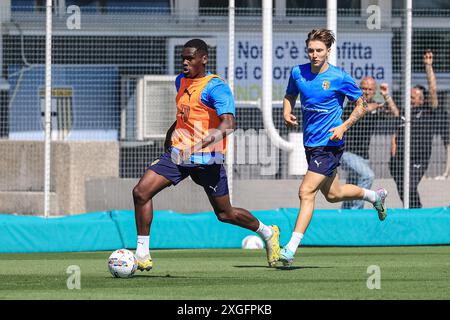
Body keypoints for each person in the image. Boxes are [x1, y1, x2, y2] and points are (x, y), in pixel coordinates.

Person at [132, 39, 280, 271]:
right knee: (141, 192)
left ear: (203, 59)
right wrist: (170, 136)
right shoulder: (180, 80)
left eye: (190, 58)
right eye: (183, 57)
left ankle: (268, 232)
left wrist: (198, 145)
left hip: (207, 159)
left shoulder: (216, 87)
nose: (185, 62)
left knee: (225, 213)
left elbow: (228, 124)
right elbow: (184, 115)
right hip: (178, 155)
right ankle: (142, 254)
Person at [280, 29, 388, 267]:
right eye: (311, 50)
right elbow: (290, 95)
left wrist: (344, 126)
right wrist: (287, 111)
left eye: (319, 50)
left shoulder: (339, 77)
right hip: (310, 143)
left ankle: (290, 249)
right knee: (333, 194)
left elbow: (361, 105)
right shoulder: (297, 72)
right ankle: (374, 195)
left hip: (330, 144)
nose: (314, 54)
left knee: (306, 192)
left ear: (328, 51)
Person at [389, 49, 439, 208]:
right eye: (408, 97)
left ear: (421, 100)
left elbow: (432, 90)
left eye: (412, 97)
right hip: (400, 158)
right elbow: (396, 124)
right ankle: (414, 211)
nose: (409, 100)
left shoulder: (429, 112)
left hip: (418, 159)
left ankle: (416, 212)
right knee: (403, 189)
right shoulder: (404, 112)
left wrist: (428, 66)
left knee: (408, 186)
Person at [341, 77, 399, 209]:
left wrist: (386, 96)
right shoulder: (352, 103)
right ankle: (357, 212)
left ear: (374, 91)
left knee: (353, 188)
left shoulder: (376, 106)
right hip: (347, 153)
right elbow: (360, 110)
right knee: (368, 176)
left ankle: (345, 214)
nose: (366, 92)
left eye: (370, 89)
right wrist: (371, 107)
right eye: (364, 88)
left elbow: (396, 114)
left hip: (363, 156)